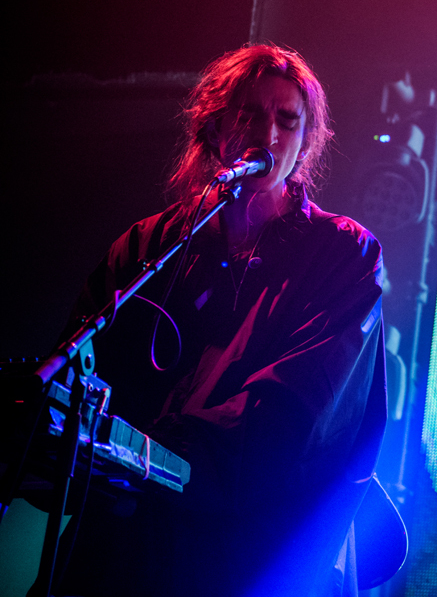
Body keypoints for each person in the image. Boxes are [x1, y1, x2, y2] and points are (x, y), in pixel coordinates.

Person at [55, 45, 387, 596]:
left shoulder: (342, 253)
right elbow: (84, 374)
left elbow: (298, 412)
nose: (267, 134)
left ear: (306, 141)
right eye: (249, 114)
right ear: (214, 126)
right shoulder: (148, 245)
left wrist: (152, 449)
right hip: (124, 543)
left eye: (287, 120)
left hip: (245, 556)